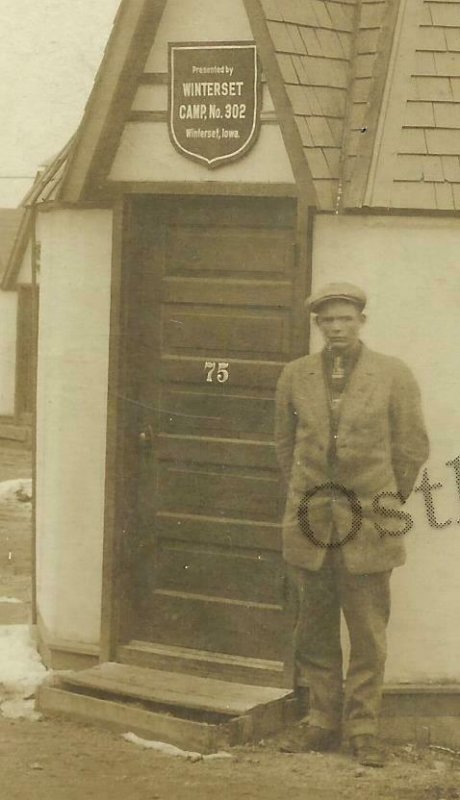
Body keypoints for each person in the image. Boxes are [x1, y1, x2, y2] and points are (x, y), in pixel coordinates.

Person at [275, 282, 429, 767]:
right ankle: (322, 720)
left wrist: (384, 501)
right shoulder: (295, 375)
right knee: (314, 629)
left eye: (346, 319)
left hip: (368, 526)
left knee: (367, 633)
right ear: (317, 325)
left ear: (361, 321)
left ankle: (363, 729)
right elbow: (285, 446)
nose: (337, 327)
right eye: (328, 320)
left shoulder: (392, 374)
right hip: (311, 524)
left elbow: (411, 447)